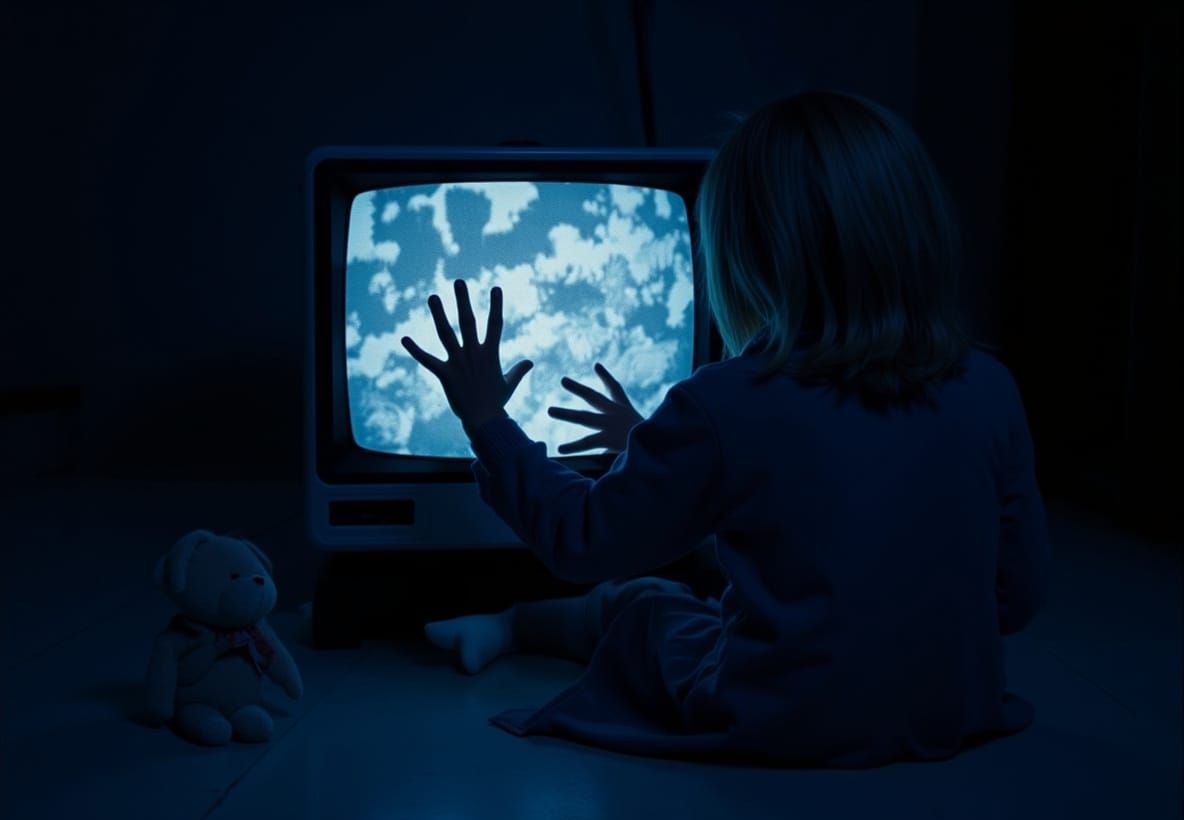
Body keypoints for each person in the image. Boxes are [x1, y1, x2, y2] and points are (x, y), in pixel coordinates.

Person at [401, 90, 1052, 768]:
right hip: (953, 709)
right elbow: (1018, 594)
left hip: (779, 716)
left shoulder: (727, 402)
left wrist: (486, 418)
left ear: (747, 258)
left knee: (648, 605)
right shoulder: (991, 388)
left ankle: (511, 626)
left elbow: (585, 539)